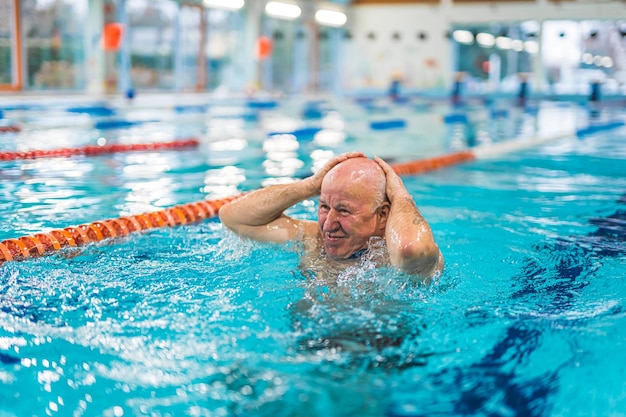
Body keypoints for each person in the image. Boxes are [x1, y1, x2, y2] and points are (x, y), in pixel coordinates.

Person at [219, 152, 444, 282]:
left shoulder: (394, 256)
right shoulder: (311, 239)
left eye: (344, 211)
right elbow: (233, 218)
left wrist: (400, 196)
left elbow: (410, 249)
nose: (328, 225)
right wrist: (309, 186)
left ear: (384, 214)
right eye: (324, 206)